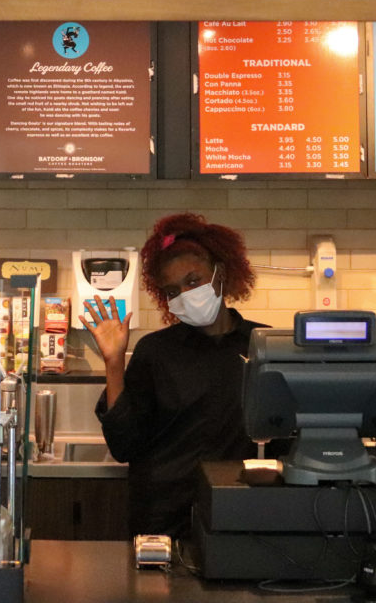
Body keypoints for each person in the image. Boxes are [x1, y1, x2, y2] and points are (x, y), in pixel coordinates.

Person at [83, 212, 267, 539]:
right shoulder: (156, 352)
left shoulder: (266, 346)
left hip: (244, 514)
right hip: (165, 519)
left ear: (220, 274)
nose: (183, 294)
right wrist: (113, 363)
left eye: (193, 280)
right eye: (172, 290)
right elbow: (124, 444)